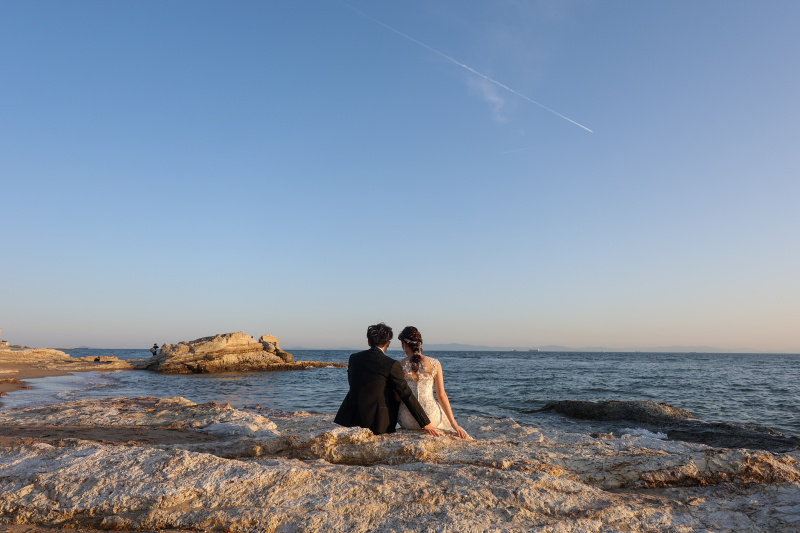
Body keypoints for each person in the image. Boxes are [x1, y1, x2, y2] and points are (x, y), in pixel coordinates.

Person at [335, 323, 440, 437]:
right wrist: (425, 423)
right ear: (388, 343)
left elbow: (352, 383)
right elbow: (405, 394)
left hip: (350, 418)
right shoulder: (391, 364)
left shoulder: (354, 358)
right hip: (377, 423)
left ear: (369, 342)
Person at [396, 326, 469, 439]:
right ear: (420, 344)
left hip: (407, 421)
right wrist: (454, 424)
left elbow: (397, 397)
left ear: (404, 345)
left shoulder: (398, 365)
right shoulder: (435, 363)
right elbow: (441, 395)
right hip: (431, 418)